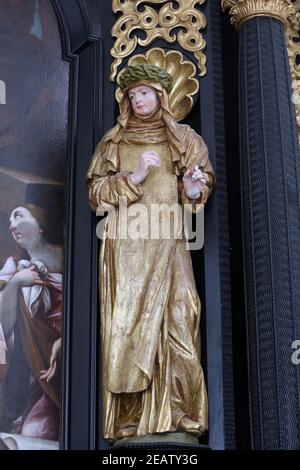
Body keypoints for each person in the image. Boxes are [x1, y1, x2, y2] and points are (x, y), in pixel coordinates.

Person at [87, 64, 215, 441]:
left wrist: (193, 189)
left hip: (169, 240)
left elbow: (199, 186)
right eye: (132, 95)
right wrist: (136, 177)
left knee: (183, 312)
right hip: (126, 247)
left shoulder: (185, 138)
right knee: (128, 325)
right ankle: (132, 420)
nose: (138, 100)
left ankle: (180, 413)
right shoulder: (114, 141)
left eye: (144, 92)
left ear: (161, 94)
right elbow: (96, 195)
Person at [0, 204, 62, 441]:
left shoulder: (71, 257)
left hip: (71, 360)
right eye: (9, 223)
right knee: (33, 432)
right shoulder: (13, 267)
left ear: (40, 224)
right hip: (37, 369)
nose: (12, 226)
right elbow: (3, 327)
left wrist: (65, 340)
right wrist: (16, 283)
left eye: (19, 216)